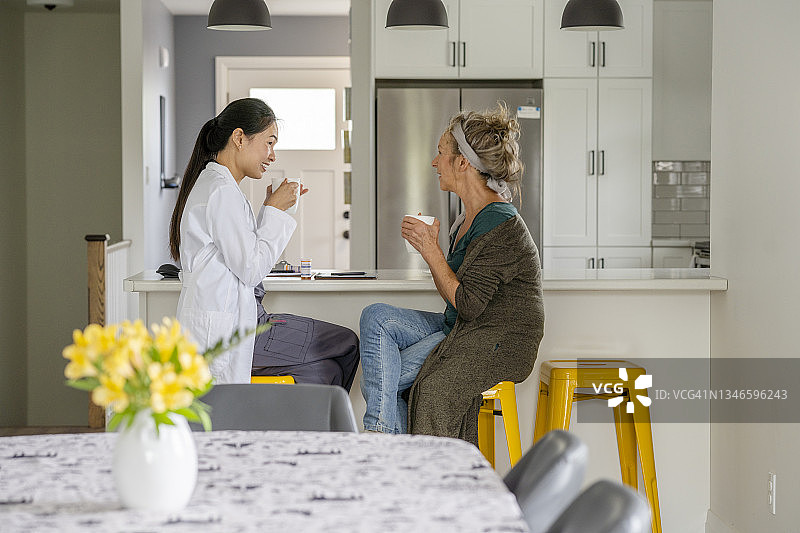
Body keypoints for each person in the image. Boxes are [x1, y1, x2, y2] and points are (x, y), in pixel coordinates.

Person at [359, 103, 544, 445]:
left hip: (499, 339)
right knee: (377, 316)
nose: (433, 162)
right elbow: (457, 299)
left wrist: (431, 251)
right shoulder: (469, 217)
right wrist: (431, 252)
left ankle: (381, 445)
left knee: (410, 383)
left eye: (440, 153)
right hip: (467, 325)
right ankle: (385, 442)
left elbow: (468, 304)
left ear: (462, 162)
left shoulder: (500, 223)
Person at [169, 98, 305, 383]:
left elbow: (240, 252)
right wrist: (274, 212)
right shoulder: (221, 191)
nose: (273, 155)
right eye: (269, 143)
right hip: (218, 330)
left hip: (219, 325)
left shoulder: (220, 187)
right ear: (239, 138)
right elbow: (251, 268)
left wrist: (270, 211)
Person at [251, 281, 360, 391]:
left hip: (252, 326)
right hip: (253, 329)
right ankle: (338, 407)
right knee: (347, 341)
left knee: (329, 370)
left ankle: (334, 407)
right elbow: (250, 274)